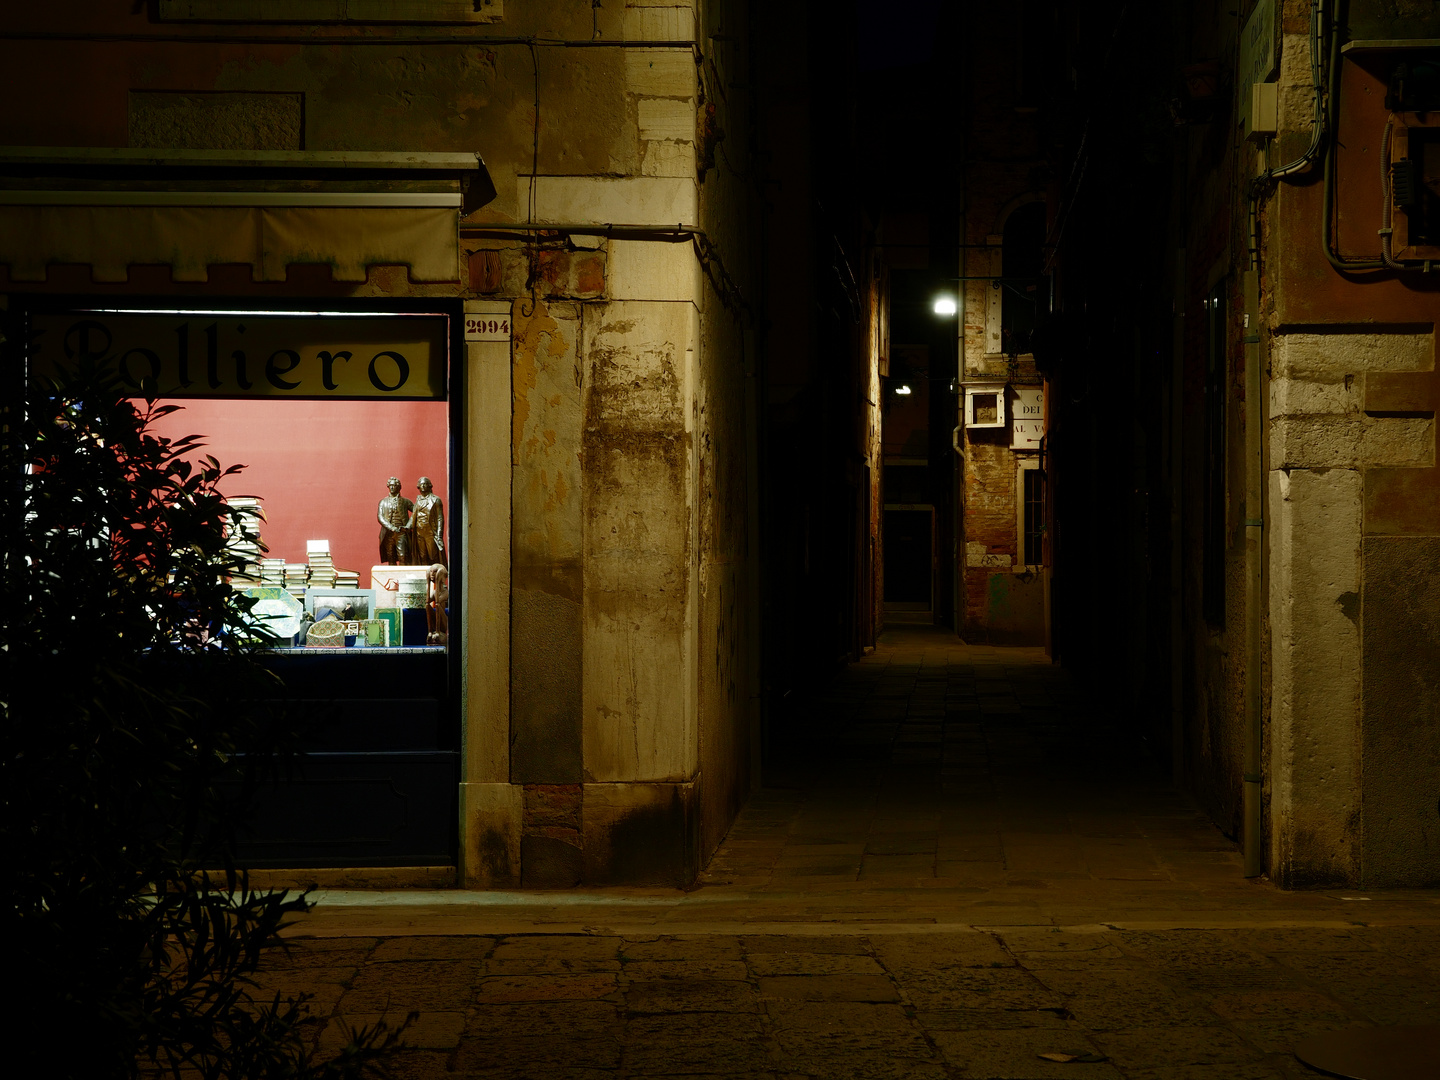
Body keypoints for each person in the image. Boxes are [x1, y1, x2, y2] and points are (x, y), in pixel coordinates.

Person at [377, 476, 413, 565]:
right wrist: (391, 527)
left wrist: (408, 526)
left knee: (403, 556)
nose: (392, 487)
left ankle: (404, 577)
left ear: (399, 487)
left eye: (394, 485)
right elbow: (380, 517)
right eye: (390, 486)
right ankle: (393, 577)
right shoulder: (383, 502)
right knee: (391, 556)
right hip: (388, 533)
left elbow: (416, 513)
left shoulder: (405, 501)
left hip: (401, 533)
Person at [412, 476, 445, 567]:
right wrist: (406, 527)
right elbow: (413, 517)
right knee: (422, 556)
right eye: (421, 484)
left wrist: (439, 535)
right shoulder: (418, 500)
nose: (423, 486)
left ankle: (434, 577)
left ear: (430, 486)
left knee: (433, 556)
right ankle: (424, 577)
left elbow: (440, 518)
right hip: (419, 532)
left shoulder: (436, 500)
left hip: (430, 532)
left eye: (425, 484)